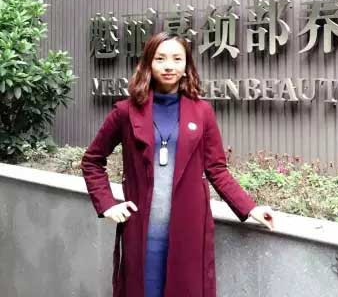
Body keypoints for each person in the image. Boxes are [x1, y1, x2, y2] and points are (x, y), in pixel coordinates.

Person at [81, 31, 275, 297]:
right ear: (148, 63)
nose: (169, 66)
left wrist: (250, 208)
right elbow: (92, 160)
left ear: (186, 65)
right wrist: (107, 204)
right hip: (142, 230)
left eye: (177, 59)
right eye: (160, 58)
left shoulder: (202, 112)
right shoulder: (126, 111)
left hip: (189, 229)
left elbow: (217, 169)